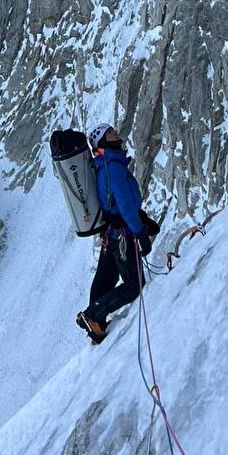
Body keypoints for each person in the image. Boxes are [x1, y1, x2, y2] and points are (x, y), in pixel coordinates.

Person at [76, 123, 155, 344]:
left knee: (105, 278)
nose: (116, 133)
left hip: (111, 234)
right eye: (110, 132)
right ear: (103, 142)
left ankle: (95, 325)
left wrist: (142, 219)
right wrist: (140, 233)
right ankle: (93, 316)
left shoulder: (105, 166)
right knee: (133, 285)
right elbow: (126, 204)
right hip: (123, 235)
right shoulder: (114, 167)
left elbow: (118, 204)